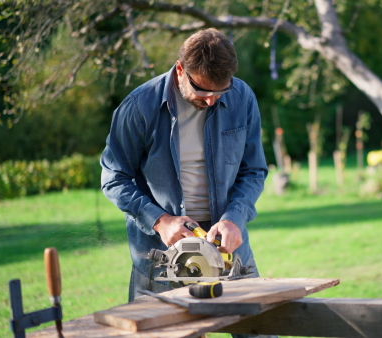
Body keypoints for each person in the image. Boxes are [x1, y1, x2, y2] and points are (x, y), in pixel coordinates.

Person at [100, 28, 268, 302]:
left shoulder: (242, 96)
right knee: (163, 330)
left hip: (226, 242)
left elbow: (253, 170)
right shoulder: (139, 107)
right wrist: (160, 221)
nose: (212, 99)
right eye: (202, 90)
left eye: (220, 91)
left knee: (256, 326)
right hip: (160, 249)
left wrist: (234, 218)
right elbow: (114, 177)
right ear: (180, 70)